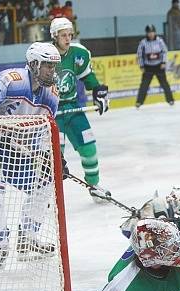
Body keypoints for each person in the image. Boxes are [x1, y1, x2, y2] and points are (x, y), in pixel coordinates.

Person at [0, 42, 62, 272]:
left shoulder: (51, 95)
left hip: (11, 149)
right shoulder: (11, 79)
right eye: (47, 65)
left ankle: (27, 238)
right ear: (34, 64)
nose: (51, 71)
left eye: (53, 66)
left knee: (45, 182)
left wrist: (50, 155)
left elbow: (43, 132)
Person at [50, 17, 112, 201]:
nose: (68, 39)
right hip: (53, 112)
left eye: (70, 34)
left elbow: (88, 77)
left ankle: (94, 186)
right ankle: (48, 195)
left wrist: (98, 91)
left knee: (89, 148)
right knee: (54, 157)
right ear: (54, 36)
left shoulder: (78, 53)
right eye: (63, 35)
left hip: (73, 108)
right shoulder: (45, 55)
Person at [135, 24, 175, 108]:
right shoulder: (143, 43)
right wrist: (141, 66)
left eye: (152, 32)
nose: (151, 34)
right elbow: (139, 55)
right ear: (146, 33)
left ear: (155, 32)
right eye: (149, 32)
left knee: (164, 84)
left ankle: (170, 100)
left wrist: (163, 62)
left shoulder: (160, 41)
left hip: (159, 66)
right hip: (148, 67)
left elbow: (164, 51)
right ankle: (139, 102)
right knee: (144, 85)